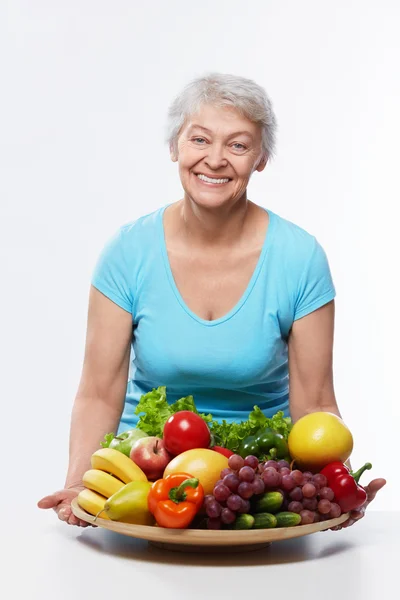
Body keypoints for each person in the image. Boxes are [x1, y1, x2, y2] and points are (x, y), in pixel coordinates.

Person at [38, 72, 385, 528]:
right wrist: (80, 481)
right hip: (147, 473)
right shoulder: (127, 252)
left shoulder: (300, 257)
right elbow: (99, 392)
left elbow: (317, 402)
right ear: (174, 147)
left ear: (260, 159)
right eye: (199, 139)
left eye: (238, 145)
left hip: (255, 479)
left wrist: (333, 486)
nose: (215, 160)